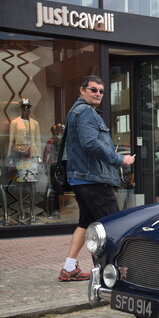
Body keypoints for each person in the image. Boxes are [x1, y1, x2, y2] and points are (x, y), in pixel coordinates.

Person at [58, 75, 135, 281]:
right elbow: (90, 143)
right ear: (82, 90)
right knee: (112, 226)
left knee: (86, 223)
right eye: (93, 90)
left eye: (101, 91)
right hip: (93, 180)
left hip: (82, 178)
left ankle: (69, 267)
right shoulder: (86, 113)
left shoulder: (76, 112)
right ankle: (109, 273)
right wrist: (120, 159)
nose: (98, 94)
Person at [8, 98, 41, 224]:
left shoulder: (35, 123)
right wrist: (10, 157)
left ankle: (32, 213)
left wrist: (39, 157)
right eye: (24, 107)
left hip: (31, 155)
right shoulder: (15, 123)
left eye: (28, 107)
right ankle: (21, 212)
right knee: (21, 184)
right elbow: (11, 140)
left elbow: (38, 140)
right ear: (21, 108)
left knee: (32, 184)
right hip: (20, 154)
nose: (26, 109)